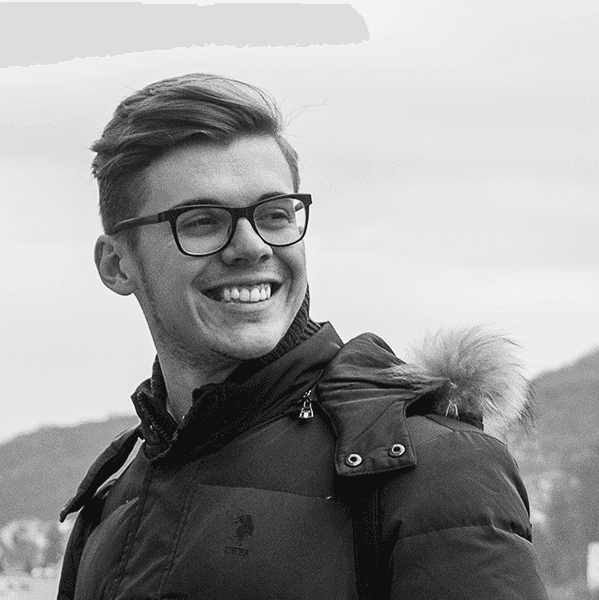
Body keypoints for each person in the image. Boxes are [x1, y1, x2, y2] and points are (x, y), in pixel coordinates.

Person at [57, 73, 548, 600]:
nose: (252, 246)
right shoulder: (112, 503)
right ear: (117, 265)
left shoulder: (432, 470)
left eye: (274, 215)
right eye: (201, 222)